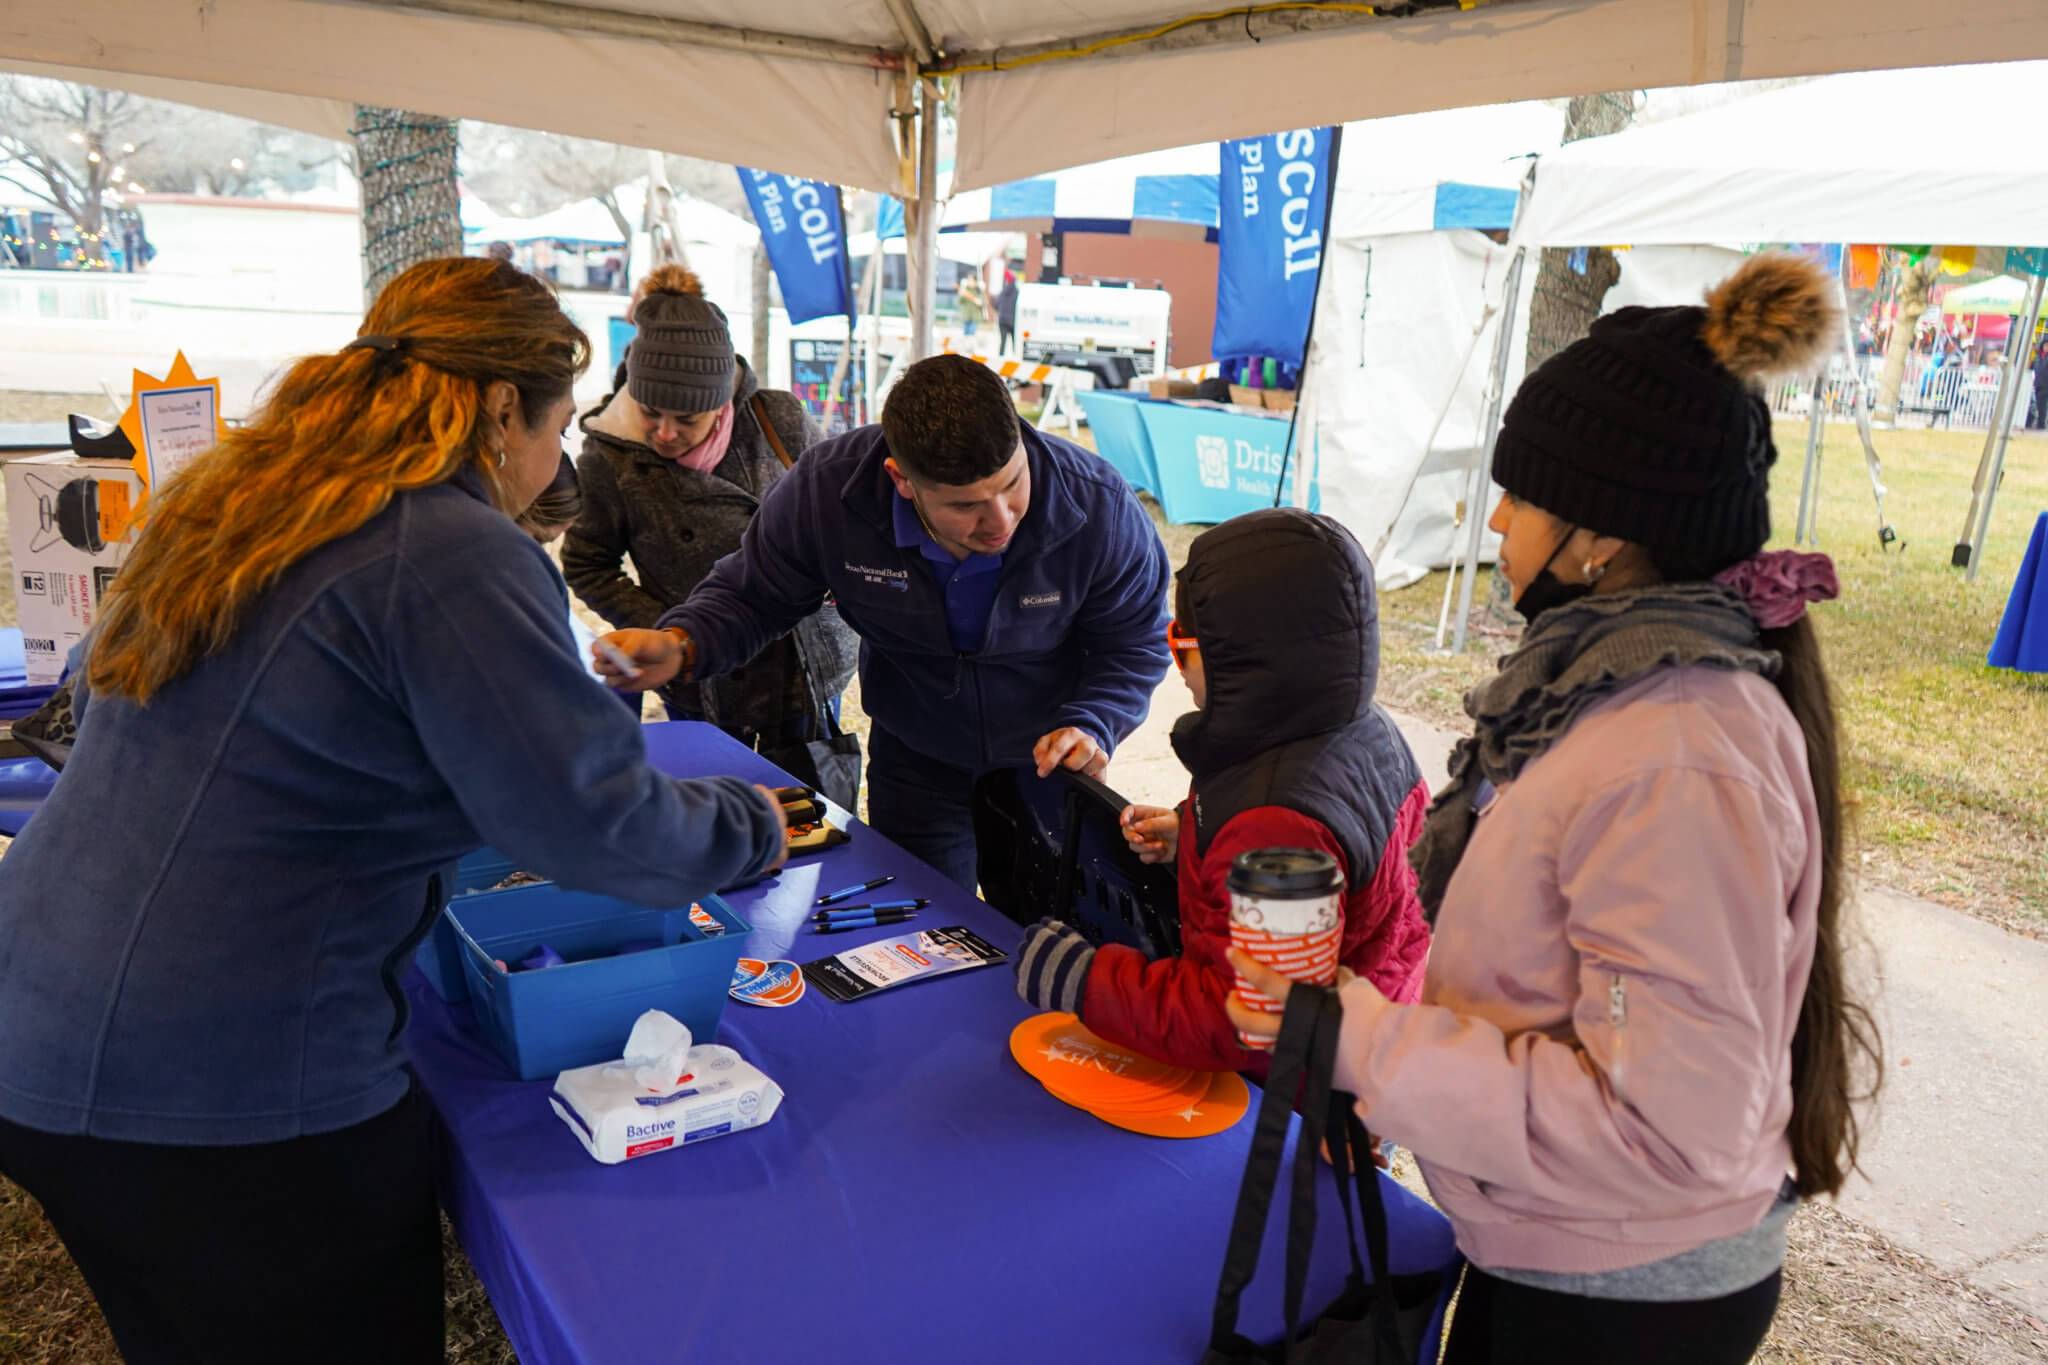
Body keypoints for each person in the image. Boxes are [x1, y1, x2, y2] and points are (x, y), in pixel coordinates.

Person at [0, 257, 789, 1364]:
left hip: (44, 1019)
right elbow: (592, 818)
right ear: (503, 409)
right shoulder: (446, 544)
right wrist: (753, 823)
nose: (557, 462)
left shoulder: (255, 494)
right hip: (222, 1078)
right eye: (560, 426)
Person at [1227, 254, 1881, 1365]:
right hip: (1570, 1251)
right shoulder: (1613, 691)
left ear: (1597, 538)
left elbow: (1660, 1129)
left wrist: (1366, 1044)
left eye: (1519, 496)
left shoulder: (1671, 759)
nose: (1492, 522)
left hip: (1616, 1297)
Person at [596, 353, 1173, 890]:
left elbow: (1137, 641)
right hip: (917, 765)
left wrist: (1094, 722)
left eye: (1012, 485)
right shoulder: (830, 491)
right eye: (966, 506)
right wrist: (684, 642)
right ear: (901, 480)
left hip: (1046, 775)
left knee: (1038, 944)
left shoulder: (1096, 505)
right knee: (923, 932)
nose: (999, 521)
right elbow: (754, 592)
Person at [1012, 508, 1432, 1076]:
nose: (1174, 662)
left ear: (1249, 663)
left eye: (1181, 642)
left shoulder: (1278, 827)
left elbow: (1247, 1019)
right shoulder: (1355, 725)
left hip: (1295, 1095)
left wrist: (1086, 982)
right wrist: (1197, 833)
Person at [563, 265, 856, 745]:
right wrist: (672, 627)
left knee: (812, 800)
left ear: (722, 403)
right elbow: (587, 563)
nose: (665, 432)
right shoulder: (610, 456)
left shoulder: (777, 419)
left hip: (804, 662)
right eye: (650, 412)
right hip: (701, 673)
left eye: (686, 418)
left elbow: (834, 512)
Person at [997, 260, 1021, 356]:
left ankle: (1000, 356)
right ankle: (1016, 356)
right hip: (1012, 320)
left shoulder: (1003, 291)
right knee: (1015, 340)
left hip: (1002, 319)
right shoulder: (1016, 291)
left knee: (1003, 341)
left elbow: (996, 304)